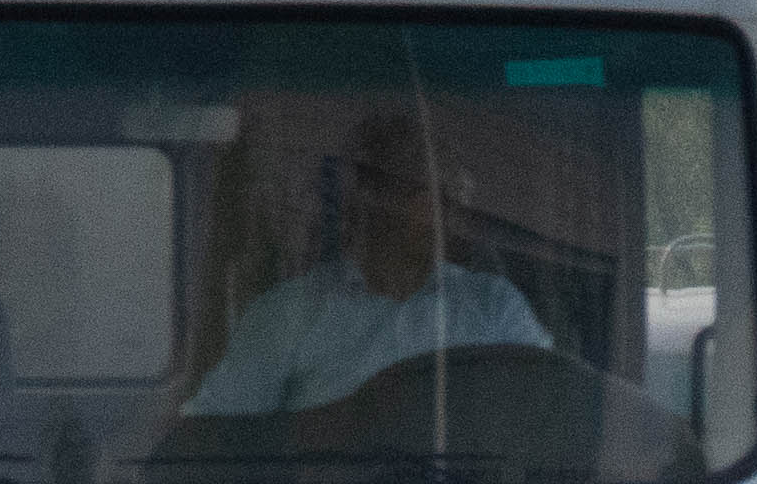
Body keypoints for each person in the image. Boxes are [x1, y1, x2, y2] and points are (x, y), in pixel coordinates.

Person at [183, 96, 548, 417]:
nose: (435, 209)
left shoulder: (494, 308)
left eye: (443, 194)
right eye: (412, 188)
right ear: (366, 197)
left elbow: (549, 409)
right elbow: (215, 428)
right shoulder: (291, 313)